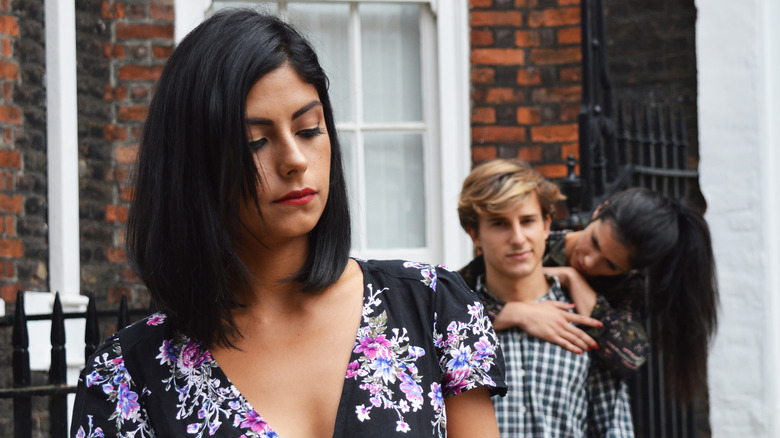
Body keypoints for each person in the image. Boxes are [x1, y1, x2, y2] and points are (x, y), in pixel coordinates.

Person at [70, 9, 506, 438]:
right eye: (255, 141)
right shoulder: (127, 378)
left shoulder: (431, 307)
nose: (295, 160)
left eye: (309, 129)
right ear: (194, 165)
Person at [457, 159, 633, 437]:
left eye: (527, 221)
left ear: (546, 224)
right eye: (500, 224)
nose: (517, 238)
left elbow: (612, 427)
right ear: (475, 233)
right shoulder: (452, 318)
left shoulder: (582, 317)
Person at [542, 186, 719, 402]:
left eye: (610, 264)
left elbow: (630, 356)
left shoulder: (625, 288)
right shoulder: (537, 245)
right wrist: (512, 312)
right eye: (595, 242)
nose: (589, 261)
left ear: (629, 269)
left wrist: (573, 279)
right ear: (599, 211)